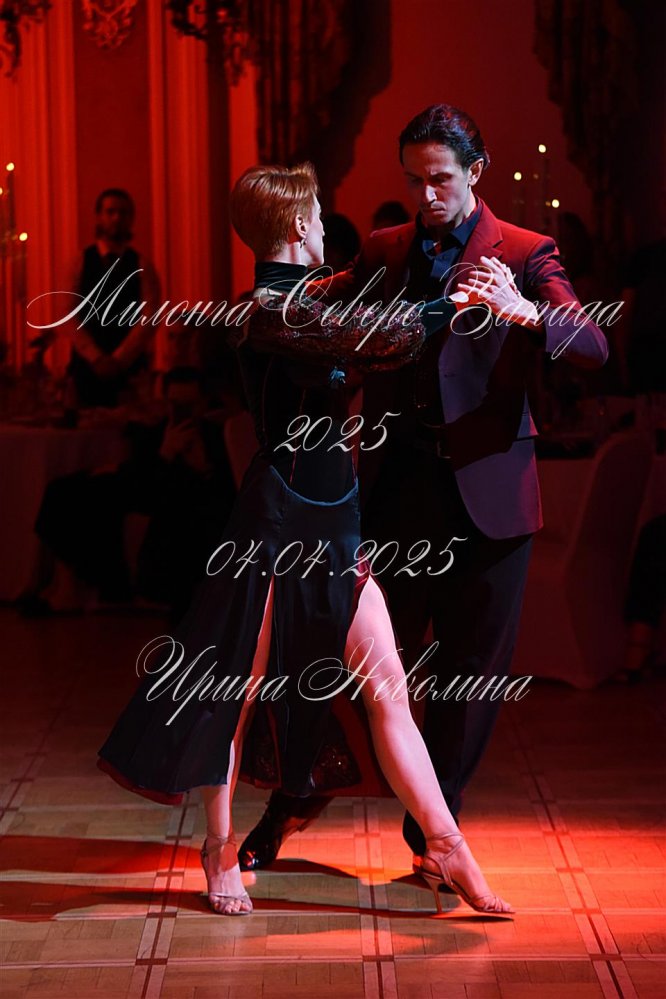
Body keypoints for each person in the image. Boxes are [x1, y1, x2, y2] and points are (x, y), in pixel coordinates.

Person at [98, 161, 513, 918]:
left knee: (388, 687)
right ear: (296, 224)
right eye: (318, 213)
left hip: (337, 524)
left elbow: (371, 311)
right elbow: (378, 337)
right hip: (279, 524)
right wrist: (453, 303)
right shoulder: (265, 312)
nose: (325, 224)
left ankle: (447, 844)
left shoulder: (310, 300)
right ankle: (219, 848)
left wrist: (442, 271)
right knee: (237, 694)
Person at [239, 103, 609, 872]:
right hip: (398, 490)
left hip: (491, 497)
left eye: (440, 179)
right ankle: (295, 795)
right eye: (414, 180)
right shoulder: (387, 248)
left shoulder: (527, 251)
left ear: (476, 171)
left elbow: (594, 345)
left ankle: (433, 838)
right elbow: (319, 297)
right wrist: (268, 287)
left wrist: (526, 313)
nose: (426, 195)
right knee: (347, 659)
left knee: (468, 682)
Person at [32, 367, 236, 618]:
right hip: (147, 482)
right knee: (63, 490)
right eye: (175, 404)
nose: (182, 411)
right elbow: (142, 468)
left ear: (203, 403)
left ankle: (93, 590)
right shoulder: (160, 428)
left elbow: (219, 487)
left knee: (93, 493)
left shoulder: (219, 435)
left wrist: (201, 467)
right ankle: (65, 585)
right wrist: (162, 454)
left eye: (189, 405)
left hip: (175, 494)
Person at [64, 189, 161, 407]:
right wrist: (96, 357)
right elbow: (69, 315)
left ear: (131, 219)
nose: (117, 218)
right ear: (99, 216)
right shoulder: (79, 262)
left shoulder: (143, 266)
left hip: (129, 370)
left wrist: (119, 358)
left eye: (123, 213)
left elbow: (149, 317)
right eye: (110, 212)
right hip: (86, 368)